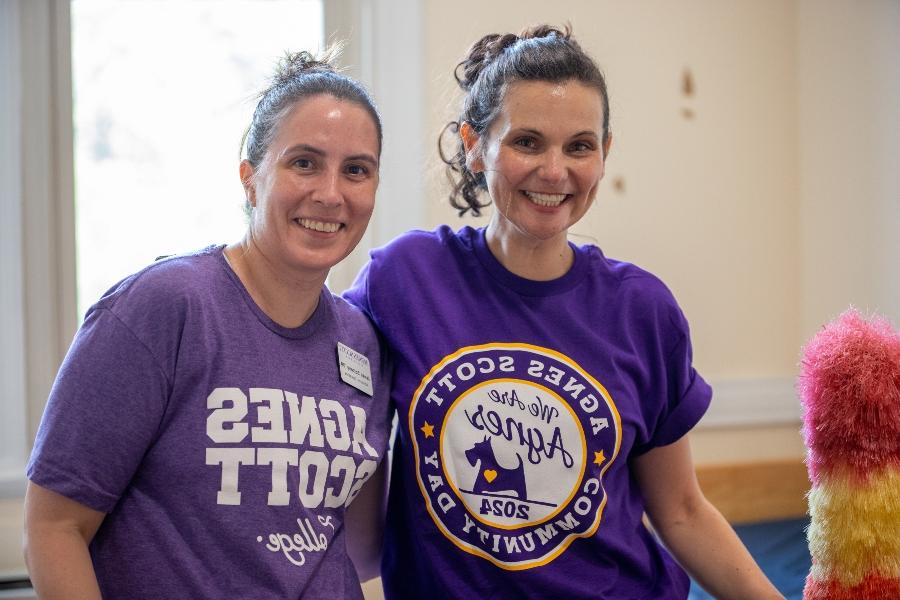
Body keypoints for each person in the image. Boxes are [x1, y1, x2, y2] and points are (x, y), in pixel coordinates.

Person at [344, 25, 784, 599]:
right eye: (527, 141)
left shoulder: (643, 310)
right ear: (475, 145)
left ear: (605, 154)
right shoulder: (404, 280)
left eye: (579, 146)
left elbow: (680, 509)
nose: (555, 172)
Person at [24, 50, 391, 599]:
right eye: (304, 162)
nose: (331, 193)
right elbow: (53, 529)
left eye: (356, 170)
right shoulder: (165, 307)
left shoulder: (361, 340)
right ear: (251, 177)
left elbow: (357, 545)